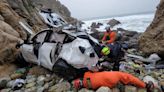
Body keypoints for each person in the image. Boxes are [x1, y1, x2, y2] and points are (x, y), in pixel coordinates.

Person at [72, 71, 154, 91]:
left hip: (110, 84)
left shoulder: (89, 87)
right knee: (128, 77)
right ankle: (146, 86)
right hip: (110, 76)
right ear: (80, 80)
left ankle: (125, 85)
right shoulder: (86, 75)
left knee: (122, 81)